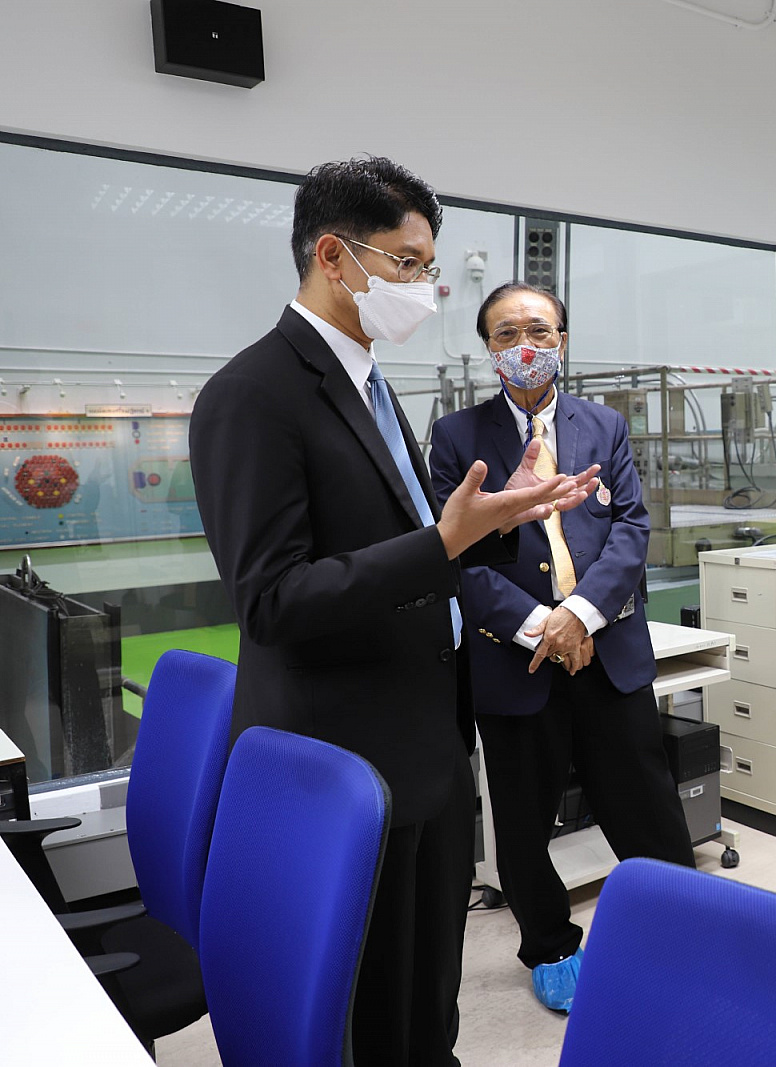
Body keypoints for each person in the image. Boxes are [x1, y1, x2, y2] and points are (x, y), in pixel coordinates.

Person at [189, 157, 597, 1066]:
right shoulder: (253, 395)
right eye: (407, 263)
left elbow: (407, 544)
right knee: (373, 1009)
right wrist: (444, 542)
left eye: (427, 266)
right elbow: (273, 599)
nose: (422, 286)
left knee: (426, 998)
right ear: (333, 256)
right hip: (346, 754)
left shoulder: (369, 384)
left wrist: (495, 524)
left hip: (429, 741)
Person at [429, 282, 694, 1014]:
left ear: (563, 341)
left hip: (606, 651)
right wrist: (540, 625)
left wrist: (579, 614)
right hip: (515, 657)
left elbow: (631, 527)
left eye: (540, 331)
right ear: (488, 350)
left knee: (647, 808)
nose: (526, 346)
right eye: (507, 333)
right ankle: (549, 945)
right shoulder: (457, 438)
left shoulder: (603, 425)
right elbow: (456, 555)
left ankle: (684, 934)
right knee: (521, 823)